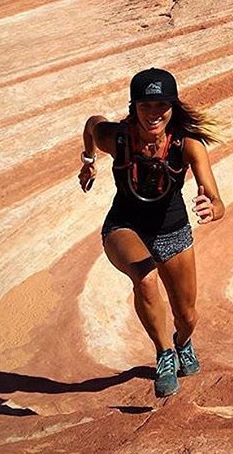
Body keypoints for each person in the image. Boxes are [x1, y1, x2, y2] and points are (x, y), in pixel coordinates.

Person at [78, 68, 224, 398]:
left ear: (172, 106)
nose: (153, 114)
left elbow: (218, 201)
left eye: (161, 106)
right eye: (145, 106)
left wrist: (212, 208)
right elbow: (91, 124)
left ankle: (182, 342)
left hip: (172, 231)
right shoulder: (117, 137)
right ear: (134, 107)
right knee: (144, 276)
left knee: (187, 315)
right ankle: (164, 355)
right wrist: (89, 161)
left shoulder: (188, 145)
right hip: (124, 226)